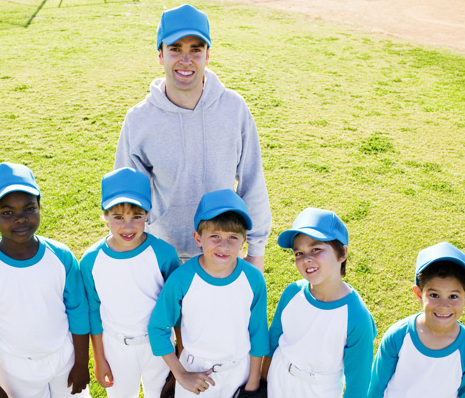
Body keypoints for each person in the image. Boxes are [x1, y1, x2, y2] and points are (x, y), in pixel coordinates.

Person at [113, 4, 271, 271]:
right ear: (160, 55)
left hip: (222, 254)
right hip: (163, 255)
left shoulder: (234, 109)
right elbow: (127, 199)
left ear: (207, 55)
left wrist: (256, 251)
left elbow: (252, 181)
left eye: (195, 50)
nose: (185, 60)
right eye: (175, 49)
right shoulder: (139, 119)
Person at [0, 162, 91, 397]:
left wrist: (82, 363)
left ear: (40, 207)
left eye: (29, 208)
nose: (20, 219)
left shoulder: (61, 257)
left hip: (64, 355)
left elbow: (79, 312)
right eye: (7, 212)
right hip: (16, 367)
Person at [148, 189, 269, 397]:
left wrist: (253, 381)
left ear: (243, 240)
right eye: (214, 236)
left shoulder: (253, 278)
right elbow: (157, 328)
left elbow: (258, 331)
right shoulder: (182, 279)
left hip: (239, 372)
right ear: (198, 238)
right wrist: (180, 374)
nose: (224, 245)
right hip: (194, 372)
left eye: (232, 237)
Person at [79, 167, 180, 398]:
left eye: (136, 216)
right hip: (115, 348)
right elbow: (94, 311)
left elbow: (176, 308)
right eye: (118, 217)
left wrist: (179, 353)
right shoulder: (91, 260)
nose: (127, 226)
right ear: (104, 216)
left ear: (147, 214)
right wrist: (99, 358)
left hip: (159, 347)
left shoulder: (164, 254)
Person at [263, 208, 376, 398]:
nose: (306, 259)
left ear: (342, 253)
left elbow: (358, 384)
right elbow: (273, 341)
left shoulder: (356, 317)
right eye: (298, 253)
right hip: (278, 378)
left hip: (320, 390)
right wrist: (261, 381)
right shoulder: (292, 293)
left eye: (316, 249)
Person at [368, 242, 465, 398]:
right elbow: (376, 385)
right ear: (418, 294)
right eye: (434, 295)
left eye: (453, 296)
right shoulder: (398, 336)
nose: (444, 306)